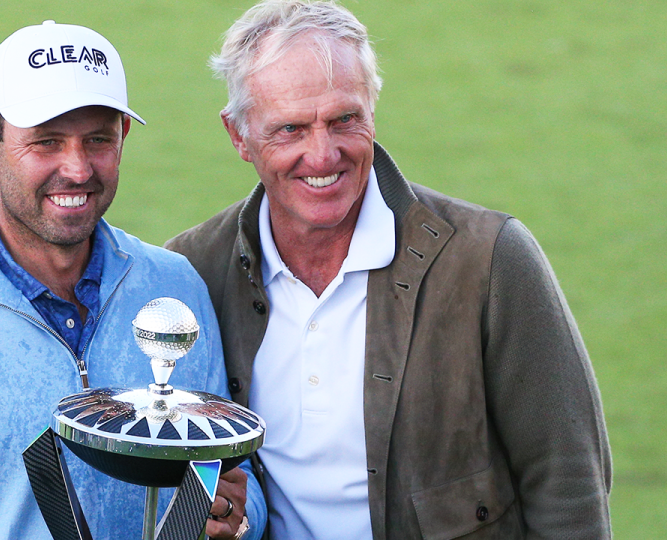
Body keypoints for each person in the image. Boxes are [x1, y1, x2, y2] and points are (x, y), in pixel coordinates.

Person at [166, 1, 612, 538]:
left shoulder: (489, 260)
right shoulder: (194, 272)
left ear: (372, 110)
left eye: (344, 119)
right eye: (290, 129)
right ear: (238, 135)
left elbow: (568, 483)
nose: (323, 155)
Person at [0, 21, 263, 540]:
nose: (78, 168)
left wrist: (233, 520)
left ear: (123, 137)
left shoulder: (174, 291)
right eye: (46, 143)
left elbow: (232, 479)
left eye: (98, 140)